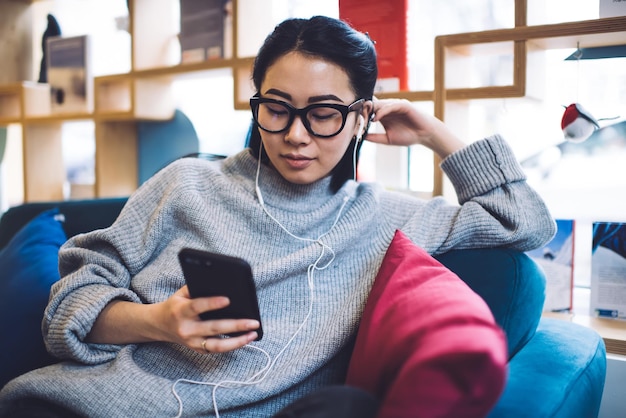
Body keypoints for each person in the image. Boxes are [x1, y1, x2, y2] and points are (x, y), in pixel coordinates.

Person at [0, 15, 555, 417]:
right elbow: (65, 311)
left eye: (324, 114)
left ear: (362, 115)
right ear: (256, 102)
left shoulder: (384, 218)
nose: (295, 135)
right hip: (85, 404)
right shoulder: (187, 182)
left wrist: (434, 133)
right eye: (277, 108)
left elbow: (524, 220)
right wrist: (159, 322)